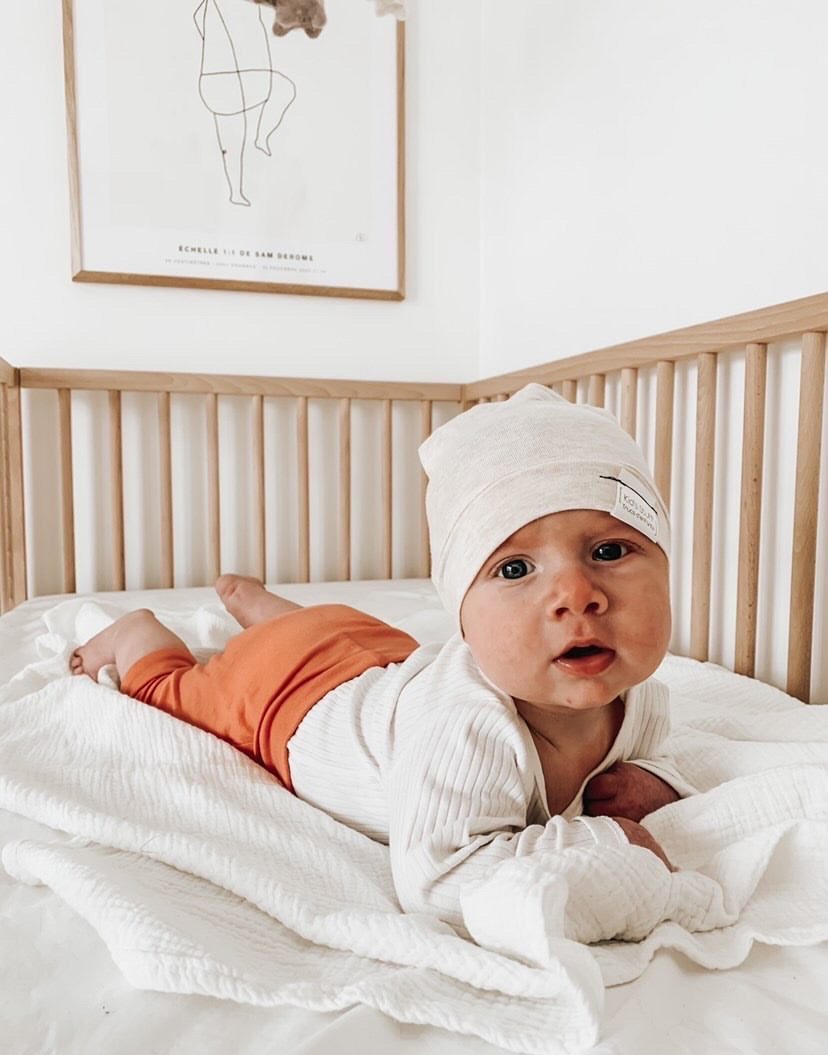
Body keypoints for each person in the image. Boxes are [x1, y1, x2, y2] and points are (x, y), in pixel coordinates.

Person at [71, 385, 691, 933]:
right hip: (289, 698)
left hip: (370, 650)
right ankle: (136, 631)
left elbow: (653, 754)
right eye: (514, 569)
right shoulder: (465, 726)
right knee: (170, 690)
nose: (576, 594)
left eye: (609, 551)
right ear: (462, 616)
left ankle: (264, 607)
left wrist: (655, 782)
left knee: (336, 635)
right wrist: (608, 840)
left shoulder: (641, 698)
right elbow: (439, 882)